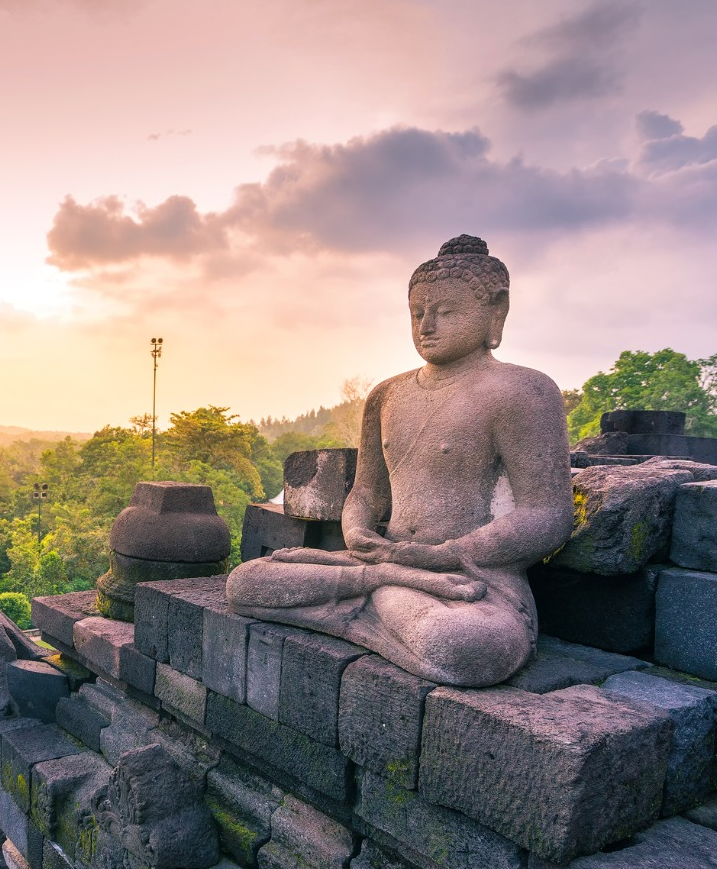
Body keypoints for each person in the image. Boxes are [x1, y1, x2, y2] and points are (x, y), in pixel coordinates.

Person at [227, 235, 573, 688]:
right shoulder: (387, 395)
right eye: (417, 313)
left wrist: (447, 554)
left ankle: (365, 596)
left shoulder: (522, 392)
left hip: (468, 583)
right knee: (244, 583)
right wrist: (357, 532)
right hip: (379, 563)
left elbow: (546, 515)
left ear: (496, 313)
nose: (427, 326)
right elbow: (367, 492)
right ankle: (380, 585)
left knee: (465, 645)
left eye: (447, 312)